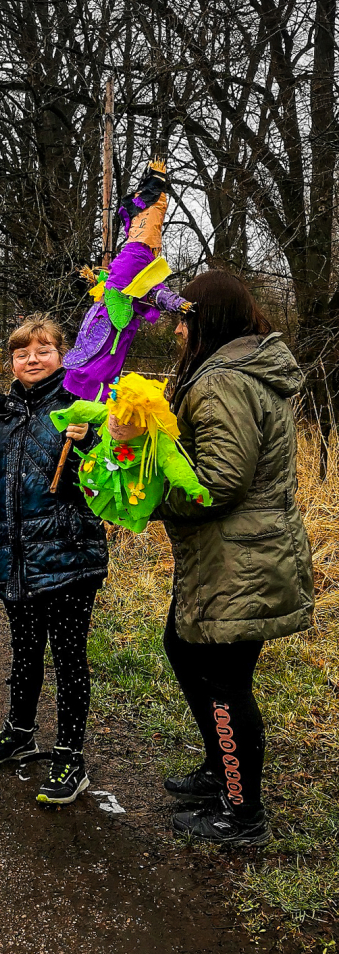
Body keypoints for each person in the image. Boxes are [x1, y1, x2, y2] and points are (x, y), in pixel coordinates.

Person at [158, 271, 314, 845]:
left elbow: (219, 482)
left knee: (226, 680)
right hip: (238, 551)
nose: (177, 330)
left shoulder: (222, 382)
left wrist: (148, 497)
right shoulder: (247, 371)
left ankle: (242, 814)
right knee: (182, 646)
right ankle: (221, 771)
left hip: (239, 556)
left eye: (184, 319)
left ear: (207, 320)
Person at [0, 315, 109, 804]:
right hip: (16, 559)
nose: (32, 359)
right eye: (22, 352)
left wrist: (89, 444)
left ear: (63, 354)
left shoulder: (79, 410)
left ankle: (71, 755)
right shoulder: (3, 418)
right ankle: (20, 730)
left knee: (68, 657)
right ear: (12, 360)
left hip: (69, 558)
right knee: (25, 650)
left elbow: (108, 477)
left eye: (43, 350)